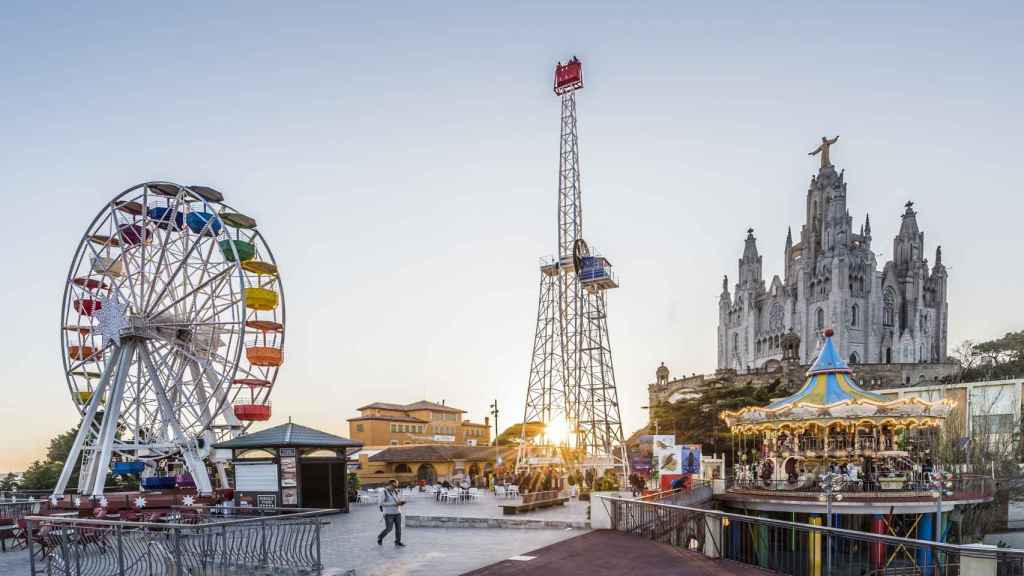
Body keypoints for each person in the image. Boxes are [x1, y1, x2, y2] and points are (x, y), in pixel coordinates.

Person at [377, 479, 406, 547]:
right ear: (390, 484)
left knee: (398, 528)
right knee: (389, 528)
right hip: (389, 514)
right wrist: (393, 504)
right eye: (394, 485)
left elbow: (397, 500)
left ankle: (397, 542)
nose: (396, 487)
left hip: (397, 512)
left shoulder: (395, 491)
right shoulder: (383, 492)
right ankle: (380, 537)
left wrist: (401, 502)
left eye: (397, 485)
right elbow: (381, 503)